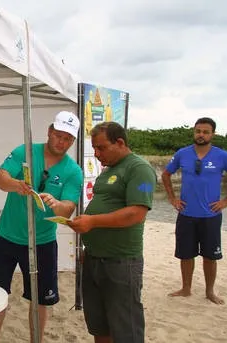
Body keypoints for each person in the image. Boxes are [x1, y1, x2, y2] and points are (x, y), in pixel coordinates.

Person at [0, 111, 83, 343]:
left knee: (40, 300)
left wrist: (57, 204)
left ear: (73, 141)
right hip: (6, 238)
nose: (61, 142)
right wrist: (15, 184)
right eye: (58, 135)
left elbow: (68, 209)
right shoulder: (24, 151)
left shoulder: (73, 170)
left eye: (67, 139)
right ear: (50, 131)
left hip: (42, 242)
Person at [69, 122, 156, 343]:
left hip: (121, 262)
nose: (97, 154)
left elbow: (136, 213)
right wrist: (89, 247)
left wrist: (92, 221)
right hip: (94, 259)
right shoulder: (109, 170)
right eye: (94, 148)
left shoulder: (140, 169)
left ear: (120, 142)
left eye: (101, 148)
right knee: (99, 326)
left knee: (126, 329)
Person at [162, 117, 227, 305]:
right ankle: (186, 288)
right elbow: (166, 174)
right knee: (186, 254)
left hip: (211, 216)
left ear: (213, 134)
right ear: (194, 132)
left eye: (205, 132)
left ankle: (210, 291)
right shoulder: (183, 154)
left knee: (210, 256)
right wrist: (172, 198)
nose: (201, 135)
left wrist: (226, 201)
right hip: (186, 214)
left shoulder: (222, 156)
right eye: (198, 131)